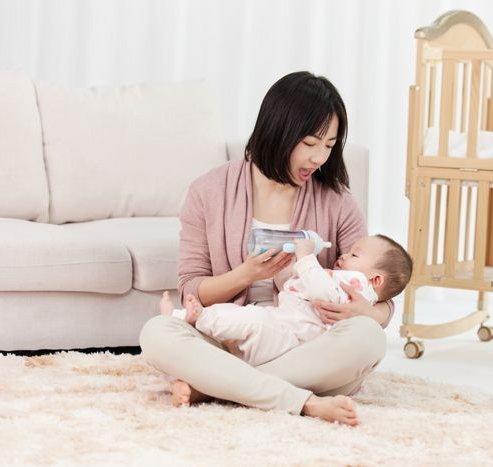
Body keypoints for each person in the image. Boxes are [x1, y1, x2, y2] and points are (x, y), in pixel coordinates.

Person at [139, 71, 395, 426]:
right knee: (157, 333)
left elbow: (377, 291)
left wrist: (368, 313)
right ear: (277, 131)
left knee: (368, 338)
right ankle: (303, 400)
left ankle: (217, 387)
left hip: (302, 345)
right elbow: (192, 290)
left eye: (329, 145)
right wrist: (246, 275)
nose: (319, 158)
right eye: (310, 143)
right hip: (229, 339)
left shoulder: (338, 201)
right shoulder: (208, 191)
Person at [160, 234, 412, 367]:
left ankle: (190, 319)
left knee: (250, 321)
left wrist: (305, 258)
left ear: (375, 280)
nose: (344, 255)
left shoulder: (356, 284)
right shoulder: (340, 277)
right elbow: (292, 286)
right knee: (240, 320)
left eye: (354, 254)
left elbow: (321, 291)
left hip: (291, 341)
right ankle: (194, 327)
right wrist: (283, 266)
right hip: (281, 325)